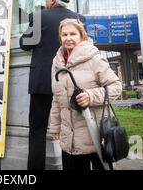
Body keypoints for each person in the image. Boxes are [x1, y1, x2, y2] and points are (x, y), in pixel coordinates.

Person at [19, 0, 85, 170]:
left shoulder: (41, 17)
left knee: (37, 130)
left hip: (42, 83)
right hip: (70, 83)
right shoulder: (80, 19)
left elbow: (24, 44)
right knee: (69, 128)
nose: (46, 0)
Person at [50, 19, 122, 171]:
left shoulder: (94, 58)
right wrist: (55, 125)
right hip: (69, 139)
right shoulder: (57, 63)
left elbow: (116, 87)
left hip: (95, 137)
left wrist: (90, 96)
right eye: (64, 34)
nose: (68, 38)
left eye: (72, 34)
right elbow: (56, 98)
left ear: (81, 36)